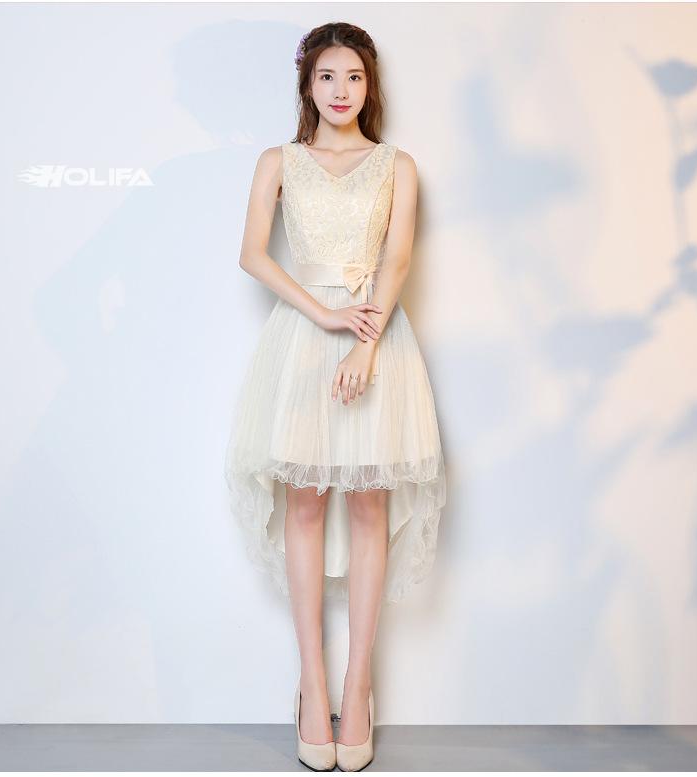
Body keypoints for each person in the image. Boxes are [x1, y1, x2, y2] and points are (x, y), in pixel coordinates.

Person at [223, 21, 447, 771]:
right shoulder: (279, 161)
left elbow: (397, 259)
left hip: (374, 340)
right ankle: (311, 681)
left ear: (369, 84)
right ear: (307, 85)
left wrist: (364, 345)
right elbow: (253, 254)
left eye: (353, 76)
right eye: (327, 76)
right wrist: (321, 315)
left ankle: (358, 687)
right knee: (307, 502)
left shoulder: (397, 166)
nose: (340, 90)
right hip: (302, 341)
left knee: (371, 505)